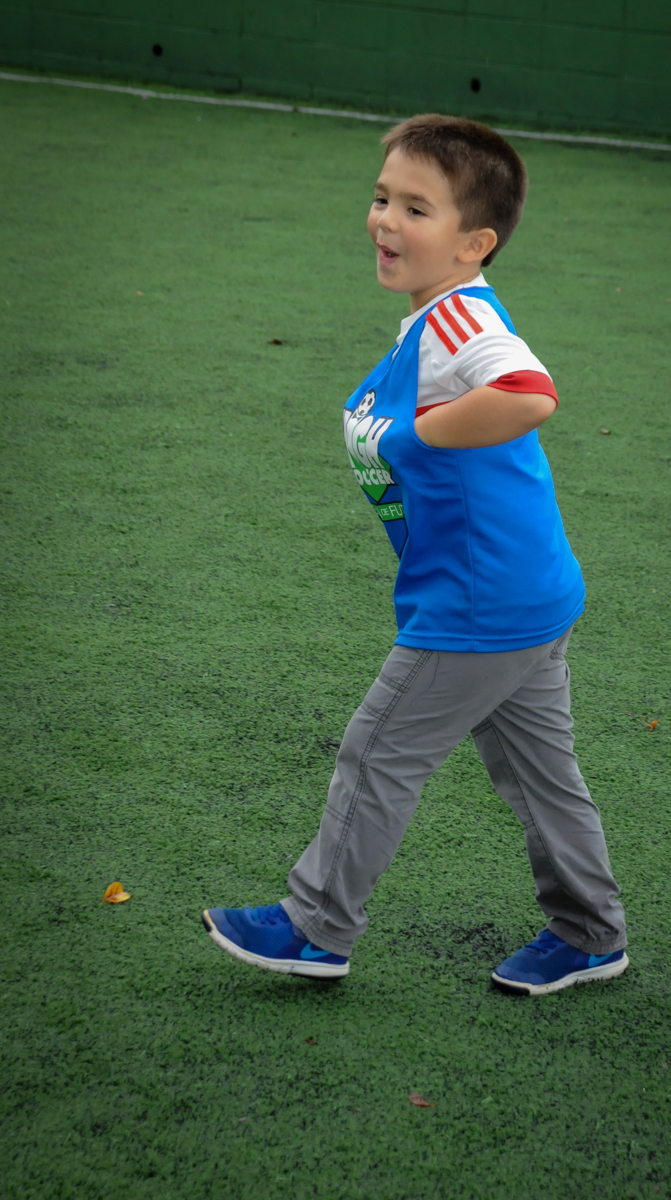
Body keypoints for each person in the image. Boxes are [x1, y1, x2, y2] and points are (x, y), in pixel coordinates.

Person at [202, 114, 628, 997]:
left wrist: (426, 434)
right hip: (526, 594)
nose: (385, 220)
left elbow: (527, 392)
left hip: (479, 603)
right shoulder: (430, 320)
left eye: (415, 208)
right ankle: (591, 935)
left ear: (474, 243)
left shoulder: (459, 319)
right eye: (381, 198)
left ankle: (314, 928)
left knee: (377, 752)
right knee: (541, 779)